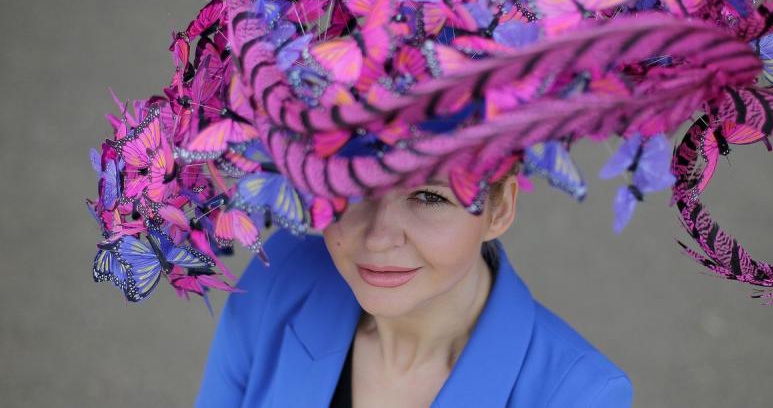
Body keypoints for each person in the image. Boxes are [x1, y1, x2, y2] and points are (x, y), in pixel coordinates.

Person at [196, 165, 633, 407]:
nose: (380, 237)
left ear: (499, 211)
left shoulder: (580, 397)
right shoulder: (283, 274)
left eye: (430, 197)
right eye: (354, 185)